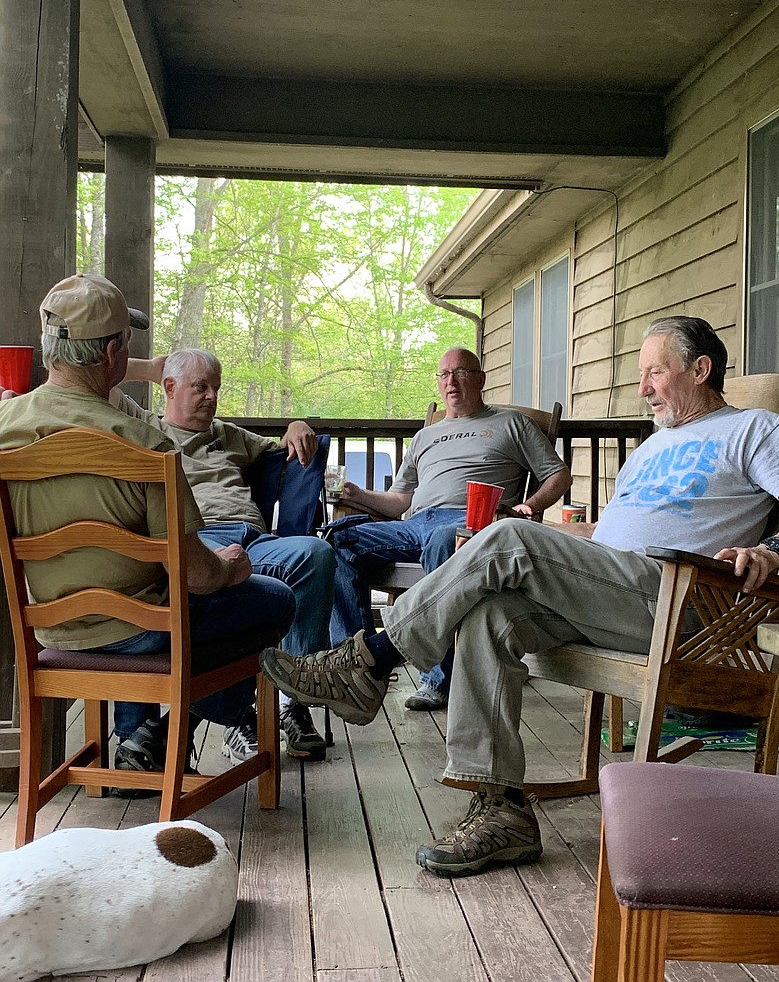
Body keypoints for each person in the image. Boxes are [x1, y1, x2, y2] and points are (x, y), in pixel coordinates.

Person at [258, 316, 779, 877]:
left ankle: (369, 659)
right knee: (491, 615)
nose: (643, 389)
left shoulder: (753, 429)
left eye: (655, 373)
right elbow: (611, 536)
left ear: (701, 370)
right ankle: (501, 809)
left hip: (683, 602)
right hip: (614, 593)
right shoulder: (653, 446)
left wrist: (775, 549)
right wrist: (558, 541)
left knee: (509, 537)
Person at [0, 273, 295, 790]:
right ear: (114, 352)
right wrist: (229, 570)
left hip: (50, 631)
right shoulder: (145, 444)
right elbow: (197, 576)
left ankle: (143, 735)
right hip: (140, 635)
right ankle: (210, 719)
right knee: (273, 599)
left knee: (161, 601)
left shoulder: (5, 426)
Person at [114, 348, 336, 763]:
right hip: (200, 542)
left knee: (317, 553)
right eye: (201, 387)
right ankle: (234, 717)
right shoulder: (143, 425)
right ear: (169, 387)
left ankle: (296, 701)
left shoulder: (227, 434)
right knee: (223, 596)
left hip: (255, 540)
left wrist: (297, 424)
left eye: (216, 388)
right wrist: (149, 366)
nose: (212, 397)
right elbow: (95, 371)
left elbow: (281, 447)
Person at [329, 346, 571, 710]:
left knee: (446, 540)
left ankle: (439, 679)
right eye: (443, 375)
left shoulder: (510, 424)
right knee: (338, 538)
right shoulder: (425, 437)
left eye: (460, 372)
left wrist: (530, 505)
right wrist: (356, 493)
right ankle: (359, 665)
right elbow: (400, 502)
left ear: (480, 379)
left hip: (469, 522)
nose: (450, 381)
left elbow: (559, 474)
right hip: (413, 524)